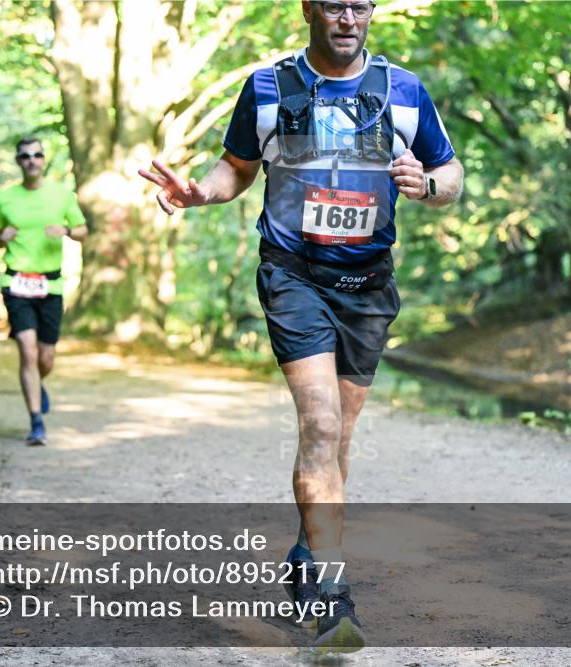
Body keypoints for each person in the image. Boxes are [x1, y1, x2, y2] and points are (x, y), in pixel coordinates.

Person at [139, 0, 462, 653]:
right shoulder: (267, 88)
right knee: (318, 424)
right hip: (294, 276)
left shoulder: (404, 91)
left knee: (337, 438)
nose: (348, 17)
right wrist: (198, 192)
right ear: (310, 9)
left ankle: (306, 551)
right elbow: (235, 167)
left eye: (360, 5)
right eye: (334, 4)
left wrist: (425, 184)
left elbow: (451, 172)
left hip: (369, 284)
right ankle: (332, 597)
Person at [0, 137, 88, 446]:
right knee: (28, 352)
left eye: (37, 155)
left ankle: (37, 384)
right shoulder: (5, 199)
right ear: (18, 162)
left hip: (51, 284)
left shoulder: (62, 196)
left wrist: (68, 231)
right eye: (25, 156)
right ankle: (36, 421)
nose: (31, 160)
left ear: (44, 160)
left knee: (46, 358)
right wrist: (0, 237)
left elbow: (84, 231)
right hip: (16, 283)